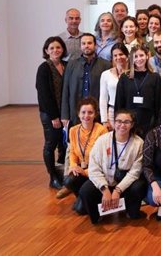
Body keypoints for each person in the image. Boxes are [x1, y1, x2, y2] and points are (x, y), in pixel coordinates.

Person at [78, 108, 146, 224]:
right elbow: (94, 169)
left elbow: (135, 172)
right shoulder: (102, 141)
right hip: (105, 182)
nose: (122, 125)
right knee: (85, 191)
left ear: (132, 124)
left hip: (124, 184)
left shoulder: (138, 143)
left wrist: (118, 190)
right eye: (118, 121)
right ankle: (97, 214)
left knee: (139, 187)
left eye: (126, 122)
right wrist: (104, 189)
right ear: (113, 122)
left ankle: (130, 210)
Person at [57, 97, 108, 202]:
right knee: (69, 181)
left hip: (97, 171)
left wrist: (85, 172)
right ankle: (81, 198)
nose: (86, 116)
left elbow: (104, 160)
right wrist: (73, 166)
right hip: (81, 169)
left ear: (95, 114)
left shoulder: (102, 131)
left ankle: (87, 198)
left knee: (80, 210)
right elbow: (72, 152)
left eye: (90, 112)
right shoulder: (73, 130)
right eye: (83, 112)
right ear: (78, 114)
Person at [36, 36, 68, 189]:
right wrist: (54, 116)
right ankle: (52, 176)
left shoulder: (66, 65)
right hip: (51, 114)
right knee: (51, 144)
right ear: (46, 51)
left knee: (64, 144)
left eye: (58, 47)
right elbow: (44, 94)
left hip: (65, 113)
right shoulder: (44, 68)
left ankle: (62, 172)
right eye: (52, 48)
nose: (56, 50)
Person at [61, 33, 111, 127]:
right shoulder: (71, 65)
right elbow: (65, 90)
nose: (86, 46)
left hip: (97, 113)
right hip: (76, 112)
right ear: (80, 46)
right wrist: (64, 115)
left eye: (89, 43)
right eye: (83, 43)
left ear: (95, 45)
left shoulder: (106, 65)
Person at [115, 44, 161, 137]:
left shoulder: (155, 77)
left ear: (147, 56)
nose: (139, 59)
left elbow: (159, 104)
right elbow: (119, 103)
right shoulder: (125, 77)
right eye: (135, 56)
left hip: (149, 122)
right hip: (128, 122)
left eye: (141, 55)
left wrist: (158, 124)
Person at [99, 43, 129, 130]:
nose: (118, 57)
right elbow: (103, 98)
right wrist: (104, 120)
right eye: (115, 55)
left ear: (127, 55)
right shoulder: (105, 74)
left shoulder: (132, 74)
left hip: (129, 110)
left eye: (121, 54)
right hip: (112, 111)